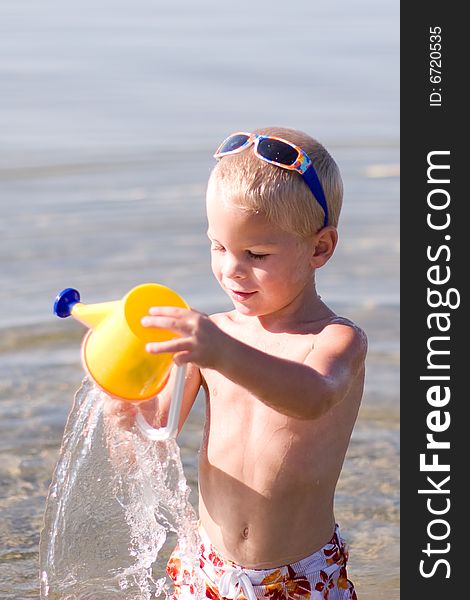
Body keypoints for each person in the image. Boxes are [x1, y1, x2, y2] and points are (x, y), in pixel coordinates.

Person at [110, 127, 367, 600]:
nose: (231, 269)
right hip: (205, 564)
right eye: (218, 246)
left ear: (320, 248)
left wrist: (220, 352)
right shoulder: (213, 337)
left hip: (299, 576)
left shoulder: (335, 340)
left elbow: (313, 396)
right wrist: (119, 397)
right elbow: (153, 435)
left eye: (256, 254)